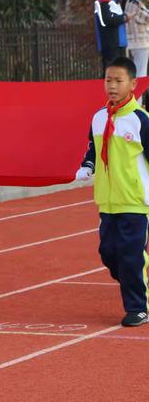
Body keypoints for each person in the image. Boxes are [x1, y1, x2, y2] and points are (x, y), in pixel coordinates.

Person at [75, 56, 149, 327]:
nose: (112, 86)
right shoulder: (98, 118)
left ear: (133, 84)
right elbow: (93, 148)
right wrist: (87, 165)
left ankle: (138, 307)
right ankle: (136, 278)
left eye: (119, 81)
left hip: (135, 202)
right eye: (109, 80)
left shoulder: (140, 120)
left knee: (130, 256)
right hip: (107, 201)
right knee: (109, 254)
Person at [94, 0, 133, 75]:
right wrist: (124, 18)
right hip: (111, 43)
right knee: (112, 72)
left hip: (118, 42)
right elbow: (106, 20)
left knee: (119, 72)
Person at [125, 0, 149, 78]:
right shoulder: (135, 2)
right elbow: (146, 17)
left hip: (133, 43)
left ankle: (136, 93)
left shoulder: (129, 1)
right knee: (140, 73)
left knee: (136, 72)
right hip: (140, 43)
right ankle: (138, 94)